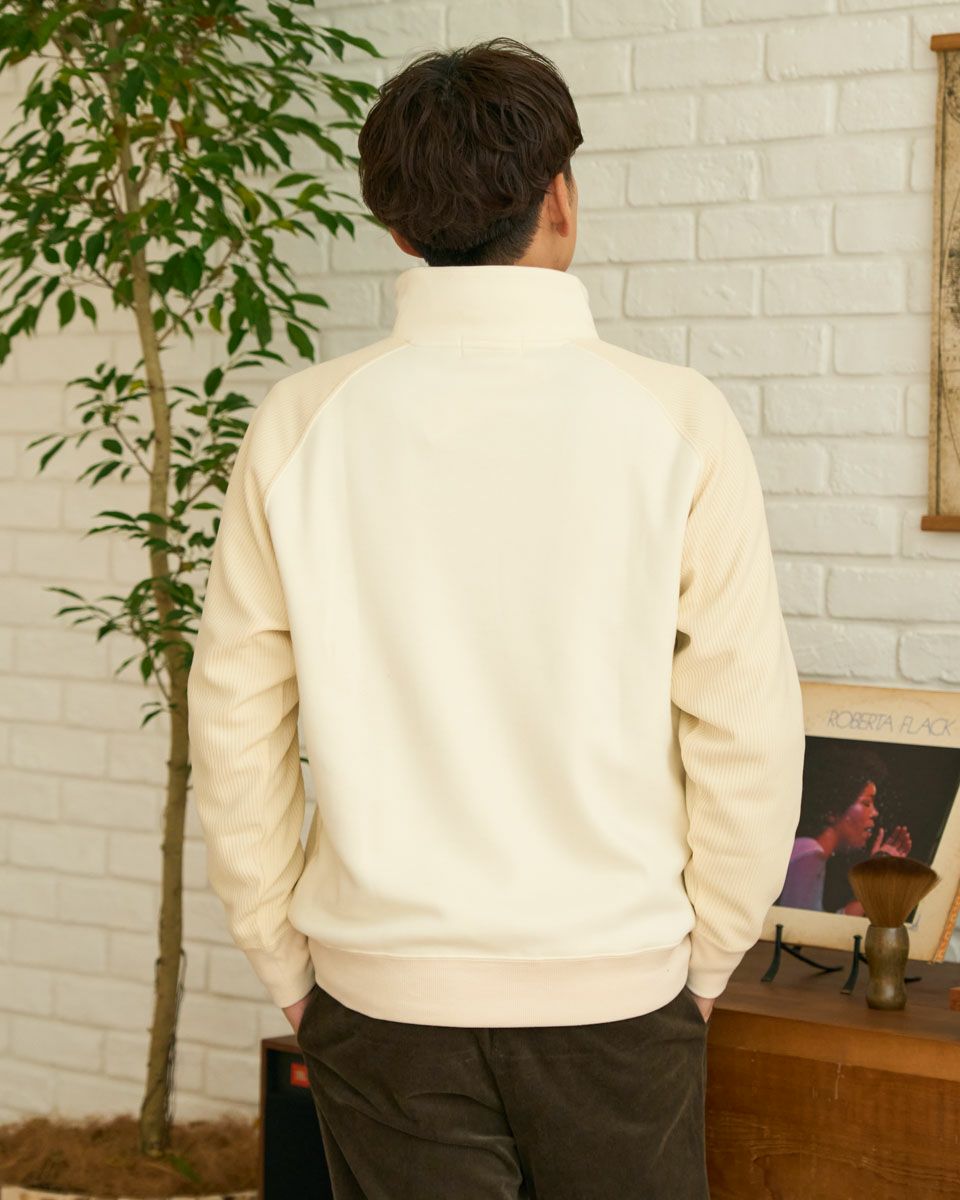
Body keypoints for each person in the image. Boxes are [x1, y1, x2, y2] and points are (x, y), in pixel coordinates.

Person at [187, 36, 806, 1200]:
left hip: (379, 998)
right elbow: (746, 731)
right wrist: (706, 960)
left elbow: (233, 726)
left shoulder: (301, 425)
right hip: (619, 995)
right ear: (559, 198)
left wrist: (284, 958)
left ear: (398, 228)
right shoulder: (677, 422)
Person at [778, 747, 912, 914]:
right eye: (866, 803)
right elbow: (802, 927)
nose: (875, 813)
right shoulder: (809, 853)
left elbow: (824, 923)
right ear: (833, 811)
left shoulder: (809, 851)